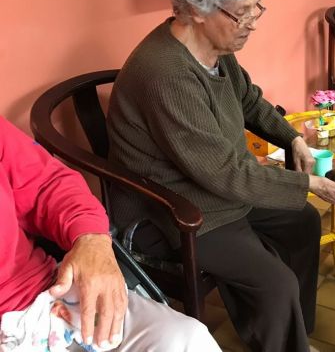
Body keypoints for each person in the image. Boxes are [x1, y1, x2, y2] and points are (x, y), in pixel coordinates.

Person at [106, 0, 335, 352]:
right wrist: (309, 183)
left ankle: (290, 334)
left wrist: (292, 139)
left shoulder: (215, 47)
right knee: (275, 281)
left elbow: (248, 100)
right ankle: (283, 339)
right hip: (172, 210)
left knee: (303, 222)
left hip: (214, 188)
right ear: (199, 9)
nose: (254, 21)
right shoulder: (165, 73)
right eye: (243, 12)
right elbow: (222, 172)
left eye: (256, 6)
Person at [0, 117, 221, 351]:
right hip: (171, 217)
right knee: (255, 275)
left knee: (186, 338)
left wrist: (90, 237)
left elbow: (46, 185)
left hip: (44, 293)